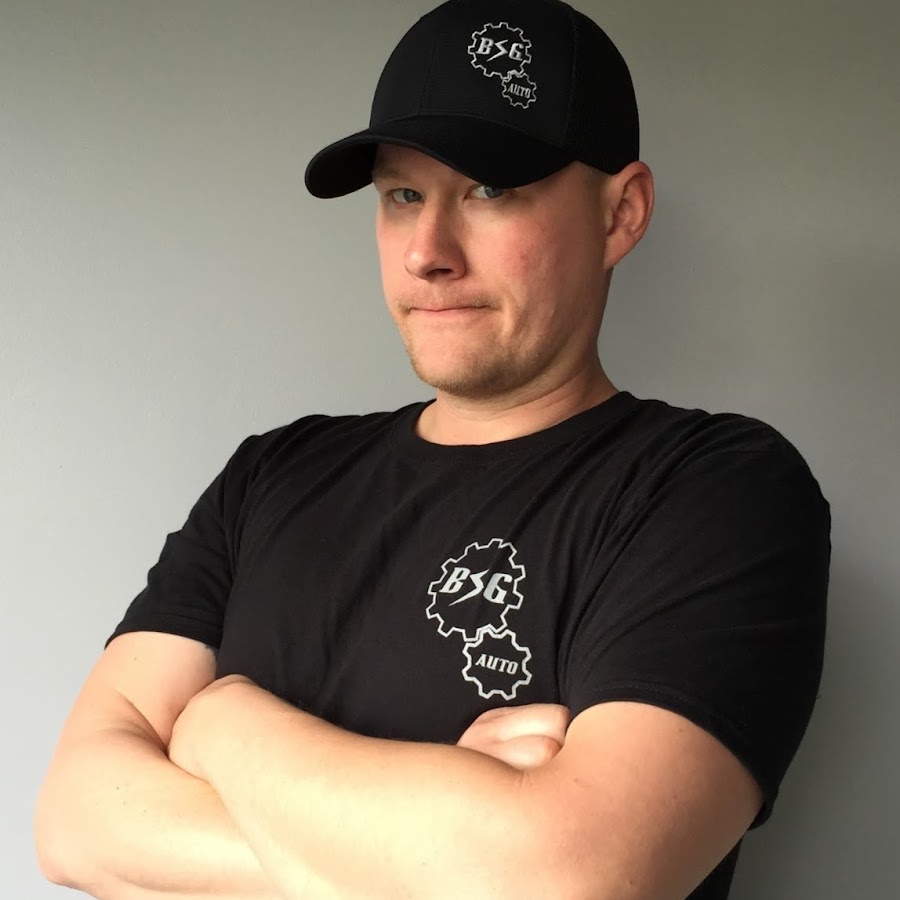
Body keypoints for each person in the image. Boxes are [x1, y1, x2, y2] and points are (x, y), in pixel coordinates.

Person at [34, 0, 830, 898]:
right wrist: (437, 853)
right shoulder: (270, 476)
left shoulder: (715, 490)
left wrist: (221, 725)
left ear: (621, 214)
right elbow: (75, 822)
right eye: (402, 196)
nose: (427, 253)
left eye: (489, 190)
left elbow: (567, 880)